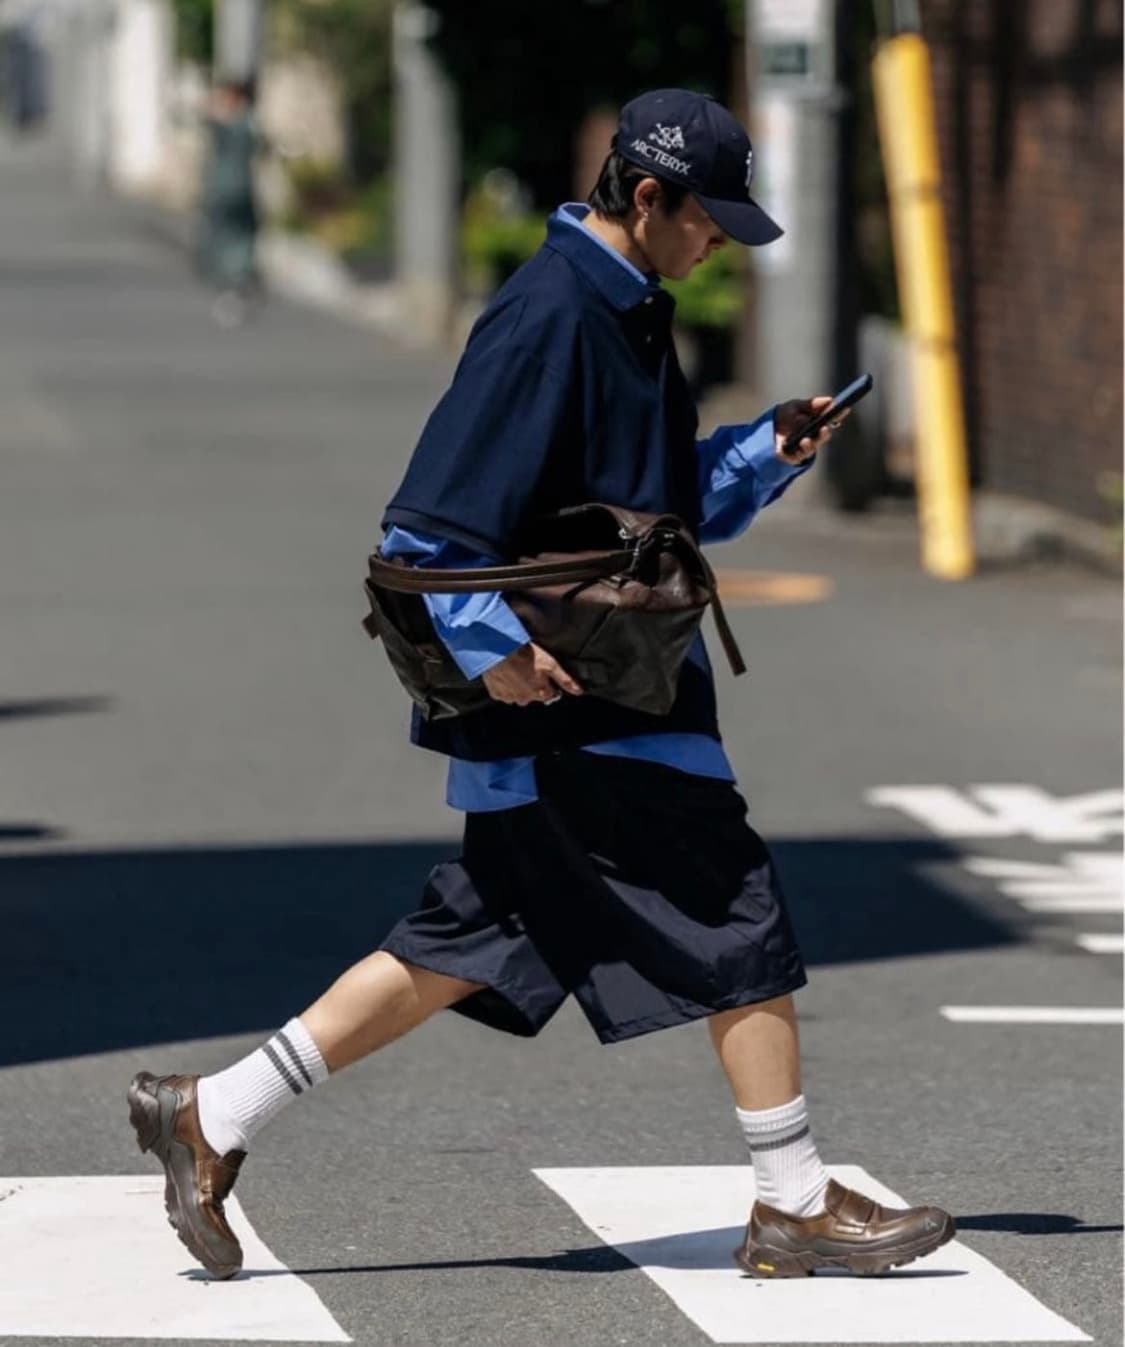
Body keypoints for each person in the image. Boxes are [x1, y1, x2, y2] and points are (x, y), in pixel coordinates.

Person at [127, 89, 954, 1284]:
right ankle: (793, 1199)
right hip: (581, 698)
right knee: (734, 907)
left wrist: (762, 454)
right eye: (708, 218)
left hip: (598, 686)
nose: (719, 240)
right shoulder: (550, 316)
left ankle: (213, 1114)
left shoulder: (627, 309)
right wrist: (492, 651)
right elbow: (425, 526)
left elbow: (647, 512)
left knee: (478, 936)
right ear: (648, 195)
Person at [196, 78, 262, 328]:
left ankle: (235, 289)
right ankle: (237, 285)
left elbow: (213, 123)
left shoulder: (240, 125)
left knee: (232, 242)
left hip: (232, 193)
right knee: (230, 241)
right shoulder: (249, 123)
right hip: (229, 192)